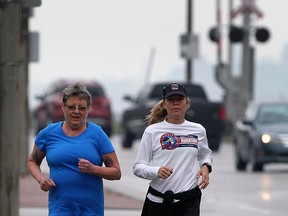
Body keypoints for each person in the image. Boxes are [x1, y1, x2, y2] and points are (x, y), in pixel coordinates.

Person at [27, 82, 121, 216]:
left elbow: (116, 172)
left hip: (91, 210)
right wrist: (41, 179)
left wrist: (93, 169)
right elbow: (32, 162)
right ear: (63, 107)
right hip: (60, 209)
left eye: (81, 108)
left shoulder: (97, 134)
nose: (76, 112)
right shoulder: (48, 134)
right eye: (71, 107)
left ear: (88, 108)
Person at [133, 82, 212, 216]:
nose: (176, 103)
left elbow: (205, 154)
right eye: (171, 100)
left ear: (186, 103)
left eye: (180, 99)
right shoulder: (152, 131)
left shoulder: (198, 130)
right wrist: (156, 171)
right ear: (164, 104)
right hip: (158, 200)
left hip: (188, 200)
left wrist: (206, 166)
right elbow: (138, 168)